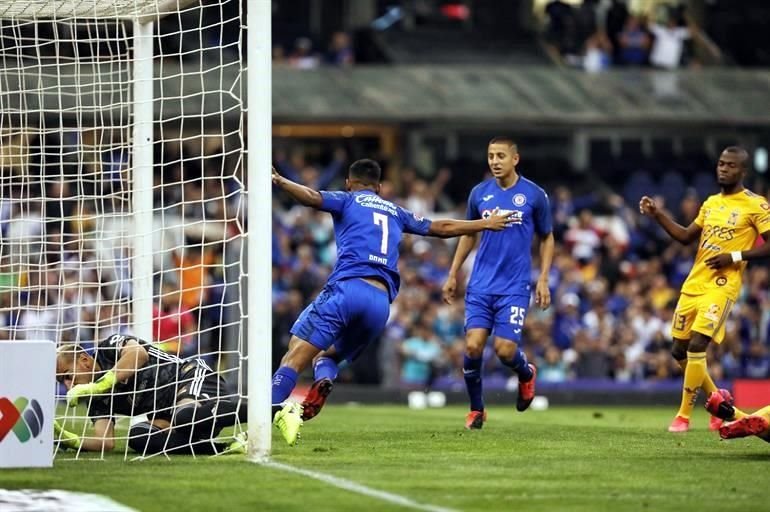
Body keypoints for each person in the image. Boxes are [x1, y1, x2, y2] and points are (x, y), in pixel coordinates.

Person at [270, 159, 514, 445]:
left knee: (294, 356)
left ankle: (261, 419)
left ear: (349, 183)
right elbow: (441, 227)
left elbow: (311, 197)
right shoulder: (396, 211)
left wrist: (281, 181)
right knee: (328, 356)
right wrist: (485, 223)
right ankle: (323, 380)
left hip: (348, 289)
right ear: (380, 187)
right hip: (380, 304)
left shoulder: (347, 200)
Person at [639, 146, 770, 433]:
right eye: (721, 164)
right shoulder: (710, 203)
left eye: (730, 165)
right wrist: (657, 214)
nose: (723, 169)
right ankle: (721, 404)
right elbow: (686, 237)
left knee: (699, 345)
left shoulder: (756, 205)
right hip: (695, 282)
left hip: (723, 285)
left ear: (743, 171)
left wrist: (735, 257)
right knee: (678, 350)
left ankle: (683, 416)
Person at [441, 136, 555, 429]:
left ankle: (526, 373)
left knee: (505, 351)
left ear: (515, 159)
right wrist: (453, 273)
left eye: (500, 156)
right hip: (480, 285)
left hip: (514, 286)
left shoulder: (534, 195)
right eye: (491, 155)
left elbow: (547, 237)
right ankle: (477, 409)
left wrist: (543, 278)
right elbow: (468, 233)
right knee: (473, 347)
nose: (494, 161)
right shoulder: (479, 194)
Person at [54, 334, 247, 455]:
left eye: (68, 375)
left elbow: (138, 354)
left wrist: (99, 385)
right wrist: (67, 439)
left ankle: (265, 410)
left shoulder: (108, 348)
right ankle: (223, 447)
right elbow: (105, 442)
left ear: (84, 360)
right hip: (169, 413)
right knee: (139, 437)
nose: (68, 385)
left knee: (184, 417)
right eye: (62, 382)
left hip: (191, 377)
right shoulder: (95, 400)